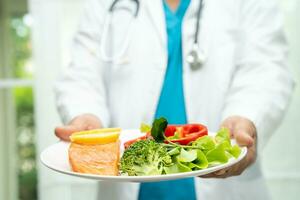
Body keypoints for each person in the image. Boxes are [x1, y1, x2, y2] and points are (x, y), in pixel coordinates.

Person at [54, 0, 294, 199]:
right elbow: (82, 72)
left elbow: (267, 69)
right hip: (127, 186)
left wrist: (246, 115)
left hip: (224, 189)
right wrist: (85, 114)